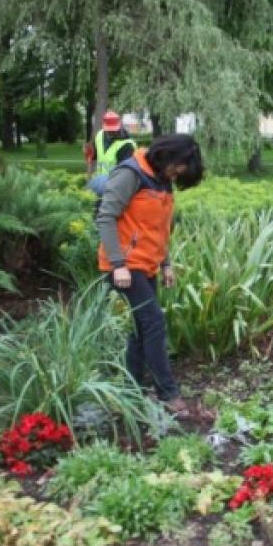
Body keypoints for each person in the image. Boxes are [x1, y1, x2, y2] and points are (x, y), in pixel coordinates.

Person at [95, 134, 204, 416]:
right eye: (178, 169)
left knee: (142, 327)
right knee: (154, 323)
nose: (176, 176)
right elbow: (105, 217)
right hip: (124, 266)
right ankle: (167, 393)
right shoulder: (130, 174)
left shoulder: (162, 178)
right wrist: (118, 263)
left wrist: (166, 263)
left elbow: (158, 227)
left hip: (146, 265)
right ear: (167, 156)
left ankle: (131, 388)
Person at [86, 110, 136, 196]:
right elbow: (96, 155)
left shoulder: (127, 145)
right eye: (109, 130)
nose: (111, 132)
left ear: (119, 126)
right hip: (100, 183)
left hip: (116, 187)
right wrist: (90, 154)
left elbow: (126, 172)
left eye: (113, 130)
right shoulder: (99, 135)